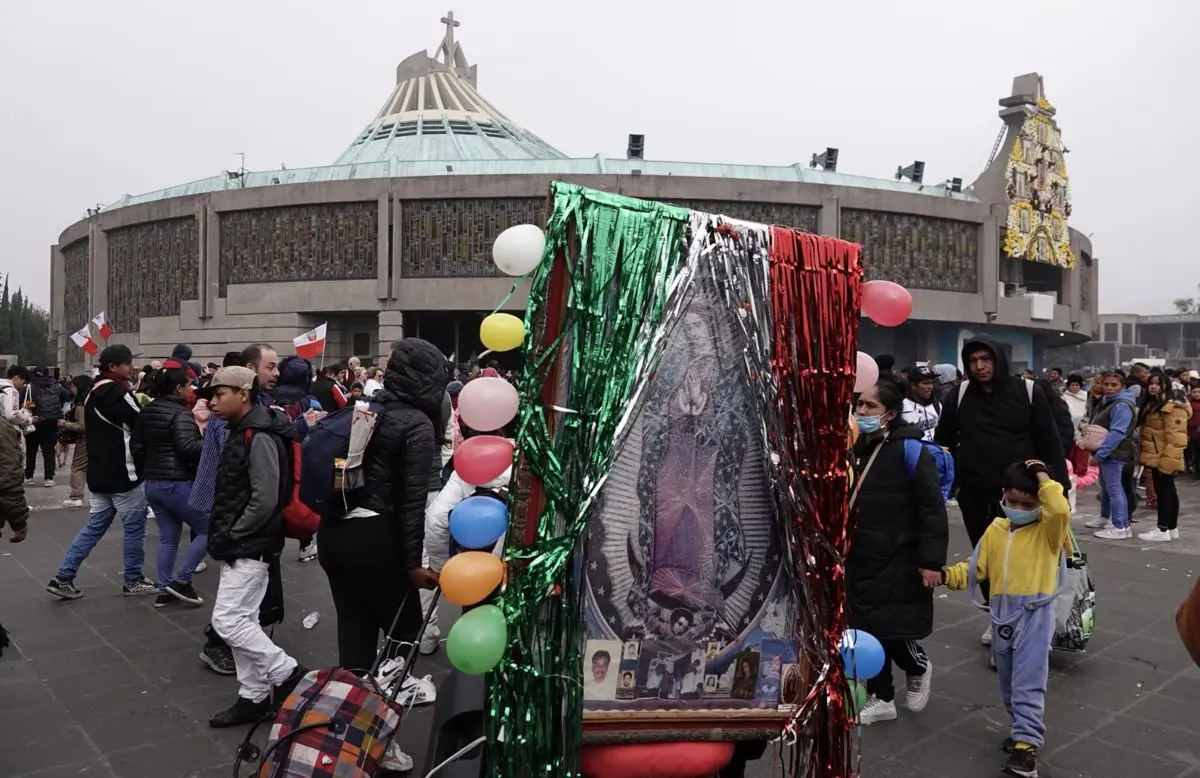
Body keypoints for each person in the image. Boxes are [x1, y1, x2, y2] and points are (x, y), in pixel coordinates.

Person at [317, 338, 445, 689]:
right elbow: (411, 502)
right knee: (403, 633)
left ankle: (350, 724)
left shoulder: (365, 407)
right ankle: (386, 714)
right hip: (375, 539)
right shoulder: (416, 423)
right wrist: (412, 564)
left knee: (354, 630)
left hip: (334, 533)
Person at [934, 336, 1069, 646]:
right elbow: (943, 439)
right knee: (987, 557)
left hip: (1023, 496)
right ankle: (997, 617)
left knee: (1028, 558)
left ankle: (1033, 617)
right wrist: (948, 479)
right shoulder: (960, 394)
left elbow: (1049, 440)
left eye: (986, 359)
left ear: (999, 360)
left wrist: (1059, 488)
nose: (979, 366)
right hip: (975, 493)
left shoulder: (1028, 392)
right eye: (972, 361)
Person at [938, 459, 1070, 778]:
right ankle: (1019, 730)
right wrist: (943, 576)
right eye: (1012, 502)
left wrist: (1042, 475)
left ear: (1041, 502)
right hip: (1002, 615)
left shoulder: (1050, 531)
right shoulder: (996, 530)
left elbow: (1060, 509)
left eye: (1029, 504)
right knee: (1008, 681)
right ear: (1003, 496)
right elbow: (975, 568)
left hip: (1035, 614)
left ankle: (1027, 746)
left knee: (1028, 681)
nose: (1019, 508)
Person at [199, 366, 306, 728]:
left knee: (228, 621)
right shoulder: (243, 430)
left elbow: (265, 498)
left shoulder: (258, 434)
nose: (212, 401)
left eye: (219, 393)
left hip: (249, 543)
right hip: (243, 540)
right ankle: (253, 696)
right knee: (245, 620)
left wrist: (234, 532)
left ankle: (289, 674)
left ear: (243, 393)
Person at [848, 380, 947, 725]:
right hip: (860, 552)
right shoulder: (857, 446)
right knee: (865, 626)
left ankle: (917, 665)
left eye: (870, 407)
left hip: (897, 553)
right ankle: (883, 696)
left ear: (889, 414)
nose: (861, 412)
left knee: (887, 626)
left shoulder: (911, 451)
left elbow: (932, 509)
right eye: (859, 405)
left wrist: (931, 561)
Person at [46, 345, 154, 599]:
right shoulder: (118, 392)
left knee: (94, 526)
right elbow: (141, 423)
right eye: (127, 363)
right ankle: (133, 579)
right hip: (123, 473)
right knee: (135, 527)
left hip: (99, 472)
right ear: (113, 367)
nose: (131, 367)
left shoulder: (92, 392)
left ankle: (63, 576)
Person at [133, 365, 207, 606]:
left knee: (168, 538)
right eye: (187, 386)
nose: (190, 390)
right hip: (177, 481)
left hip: (153, 483)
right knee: (210, 527)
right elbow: (188, 447)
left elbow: (137, 446)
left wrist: (148, 469)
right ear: (178, 388)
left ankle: (165, 590)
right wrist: (209, 446)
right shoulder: (181, 413)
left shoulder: (146, 411)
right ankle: (182, 580)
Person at [271, 355, 323, 563]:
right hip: (302, 459)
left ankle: (274, 546)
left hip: (273, 457)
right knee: (301, 500)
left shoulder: (268, 397)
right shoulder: (311, 402)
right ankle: (305, 544)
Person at [1136, 372, 1190, 542]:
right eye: (1151, 383)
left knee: (1164, 492)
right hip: (1156, 455)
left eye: (1158, 384)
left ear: (1165, 385)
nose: (1153, 387)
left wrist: (1167, 463)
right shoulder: (1155, 405)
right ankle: (1171, 528)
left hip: (1163, 457)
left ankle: (1163, 528)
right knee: (1168, 490)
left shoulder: (1172, 407)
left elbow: (1176, 439)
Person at [1083, 372, 1137, 540]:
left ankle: (1120, 525)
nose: (1109, 387)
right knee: (1107, 487)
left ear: (1122, 386)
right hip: (1109, 451)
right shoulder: (1109, 401)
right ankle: (1106, 517)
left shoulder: (1121, 405)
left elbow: (1118, 433)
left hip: (1116, 452)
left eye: (1114, 385)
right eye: (1106, 384)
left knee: (1115, 489)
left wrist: (1101, 454)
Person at [24, 368, 70, 487]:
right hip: (51, 422)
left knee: (31, 451)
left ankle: (29, 476)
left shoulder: (29, 388)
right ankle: (49, 478)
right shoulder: (57, 386)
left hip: (34, 422)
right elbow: (68, 397)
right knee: (49, 451)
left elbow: (24, 404)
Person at [59, 375, 92, 508]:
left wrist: (64, 424)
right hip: (95, 438)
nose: (71, 389)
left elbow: (82, 426)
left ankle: (76, 496)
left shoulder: (81, 406)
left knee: (77, 467)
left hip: (84, 440)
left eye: (73, 386)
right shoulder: (91, 401)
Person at [900, 365, 941, 442]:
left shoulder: (937, 405)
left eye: (932, 383)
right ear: (913, 386)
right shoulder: (901, 407)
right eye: (926, 383)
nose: (930, 387)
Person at [1061, 373, 1090, 477]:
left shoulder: (1086, 396)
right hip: (1070, 428)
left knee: (1082, 452)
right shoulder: (1064, 398)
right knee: (1071, 453)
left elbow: (1088, 411)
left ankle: (1081, 474)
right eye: (1072, 385)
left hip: (1084, 427)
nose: (1074, 387)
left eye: (1077, 385)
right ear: (1068, 386)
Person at [1187, 385, 1200, 477]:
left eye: (1198, 392)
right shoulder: (1188, 404)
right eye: (1194, 392)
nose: (1196, 394)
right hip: (1191, 431)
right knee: (1192, 451)